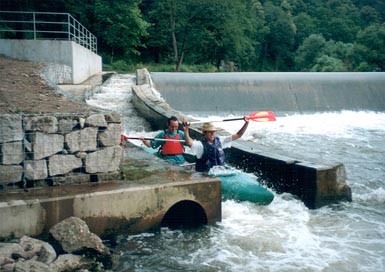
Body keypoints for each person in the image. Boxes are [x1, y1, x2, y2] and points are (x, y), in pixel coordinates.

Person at [183, 117, 249, 172]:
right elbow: (189, 142)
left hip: (220, 171)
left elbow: (238, 135)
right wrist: (186, 130)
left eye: (213, 132)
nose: (212, 134)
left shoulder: (220, 140)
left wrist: (246, 123)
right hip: (206, 174)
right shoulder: (200, 145)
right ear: (205, 133)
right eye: (210, 132)